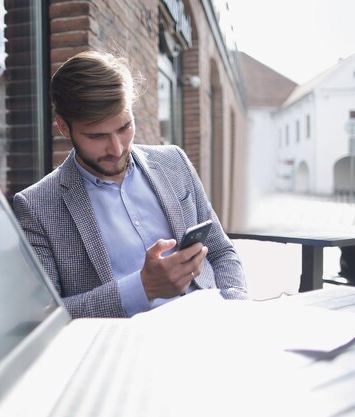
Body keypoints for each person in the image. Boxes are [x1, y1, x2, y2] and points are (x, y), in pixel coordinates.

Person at [14, 50, 248, 319]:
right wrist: (141, 289)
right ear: (64, 128)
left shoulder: (174, 161)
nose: (116, 148)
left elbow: (221, 251)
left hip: (213, 322)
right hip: (126, 347)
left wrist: (236, 310)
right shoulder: (36, 206)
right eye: (97, 136)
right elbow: (43, 317)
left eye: (124, 127)